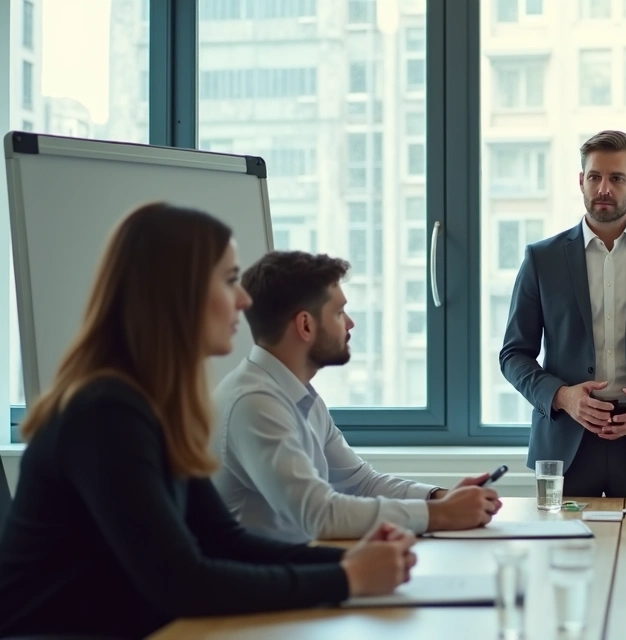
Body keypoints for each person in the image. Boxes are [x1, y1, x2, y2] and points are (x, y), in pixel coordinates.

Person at [0, 203, 413, 639]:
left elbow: (223, 541)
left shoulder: (154, 406)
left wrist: (349, 561)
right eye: (230, 280)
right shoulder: (105, 412)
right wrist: (347, 579)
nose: (245, 300)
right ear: (179, 292)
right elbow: (183, 582)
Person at [212, 250, 501, 543]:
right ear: (306, 325)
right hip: (263, 583)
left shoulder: (297, 395)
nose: (350, 323)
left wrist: (442, 498)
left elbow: (360, 483)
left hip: (296, 571)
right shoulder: (254, 402)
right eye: (339, 312)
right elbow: (320, 515)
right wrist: (443, 515)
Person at [500, 130, 626, 498]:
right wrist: (562, 396)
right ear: (581, 180)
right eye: (595, 177)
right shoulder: (542, 259)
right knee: (562, 554)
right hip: (565, 446)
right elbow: (514, 354)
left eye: (616, 178)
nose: (603, 189)